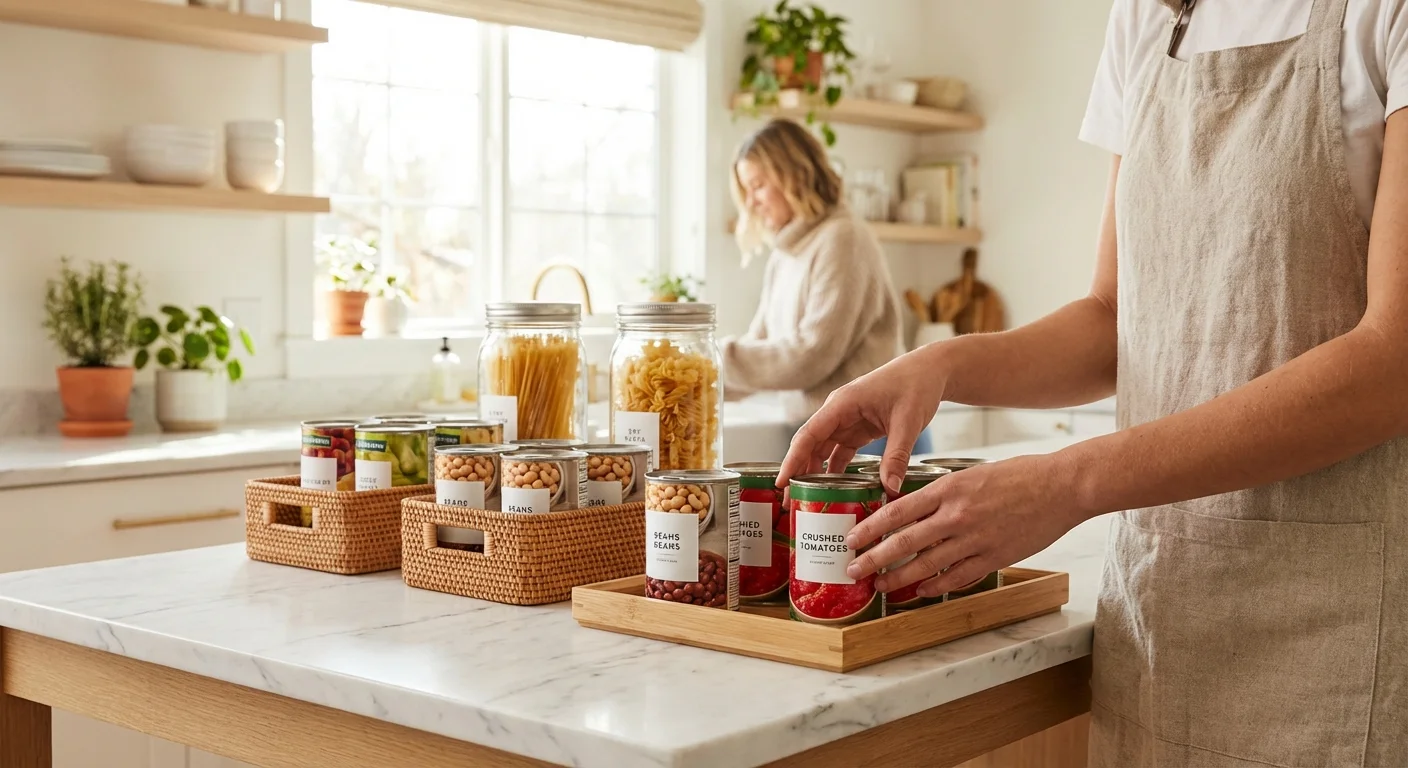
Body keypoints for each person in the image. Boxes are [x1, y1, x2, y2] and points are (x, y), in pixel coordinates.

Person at [778, 0, 1408, 763]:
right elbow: (1117, 317)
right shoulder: (1147, 14)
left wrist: (1065, 484)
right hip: (1160, 615)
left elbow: (1392, 361)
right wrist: (940, 367)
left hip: (1338, 631)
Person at [722, 118, 927, 457]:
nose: (750, 201)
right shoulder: (786, 254)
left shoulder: (843, 238)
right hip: (830, 435)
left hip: (871, 436)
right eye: (746, 189)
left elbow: (812, 355)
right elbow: (760, 348)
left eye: (757, 185)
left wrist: (709, 358)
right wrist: (690, 380)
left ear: (795, 175)